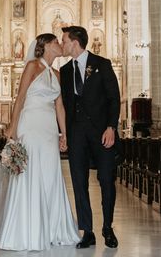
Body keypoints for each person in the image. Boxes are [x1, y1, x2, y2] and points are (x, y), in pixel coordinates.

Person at [0, 34, 80, 251]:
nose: (59, 45)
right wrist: (12, 126)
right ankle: (25, 229)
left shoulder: (57, 74)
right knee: (29, 172)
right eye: (56, 42)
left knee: (49, 172)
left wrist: (64, 134)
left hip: (48, 129)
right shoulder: (32, 66)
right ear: (46, 45)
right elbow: (20, 98)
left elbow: (60, 107)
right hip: (30, 125)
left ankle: (53, 228)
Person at [60, 25, 121, 249]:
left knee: (106, 180)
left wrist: (111, 127)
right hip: (77, 134)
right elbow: (64, 105)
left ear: (75, 42)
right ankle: (87, 231)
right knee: (78, 182)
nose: (62, 44)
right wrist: (63, 133)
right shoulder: (66, 71)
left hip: (101, 133)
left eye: (64, 40)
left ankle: (107, 226)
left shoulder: (102, 64)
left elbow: (114, 99)